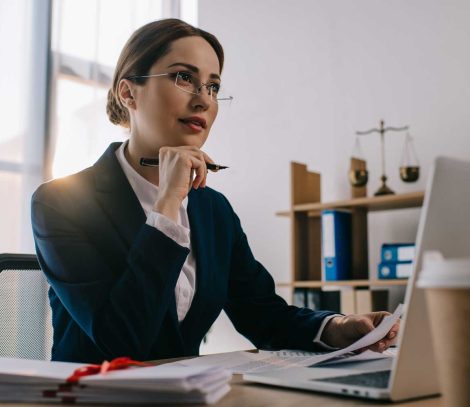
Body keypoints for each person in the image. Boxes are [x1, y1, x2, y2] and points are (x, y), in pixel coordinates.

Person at [31, 18, 399, 363]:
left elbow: (263, 315)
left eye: (213, 86)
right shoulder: (61, 203)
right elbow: (122, 341)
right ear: (128, 92)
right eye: (182, 77)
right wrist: (167, 206)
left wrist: (336, 328)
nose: (204, 100)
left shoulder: (213, 209)